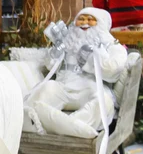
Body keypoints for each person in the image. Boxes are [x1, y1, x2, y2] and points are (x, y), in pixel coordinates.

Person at [26, 8, 128, 138]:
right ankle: (67, 127)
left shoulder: (111, 46)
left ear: (101, 23)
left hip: (90, 88)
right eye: (81, 19)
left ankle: (64, 124)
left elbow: (114, 69)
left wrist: (91, 58)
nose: (84, 22)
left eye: (90, 19)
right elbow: (50, 65)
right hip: (64, 87)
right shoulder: (68, 41)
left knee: (103, 103)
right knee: (46, 88)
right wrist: (55, 53)